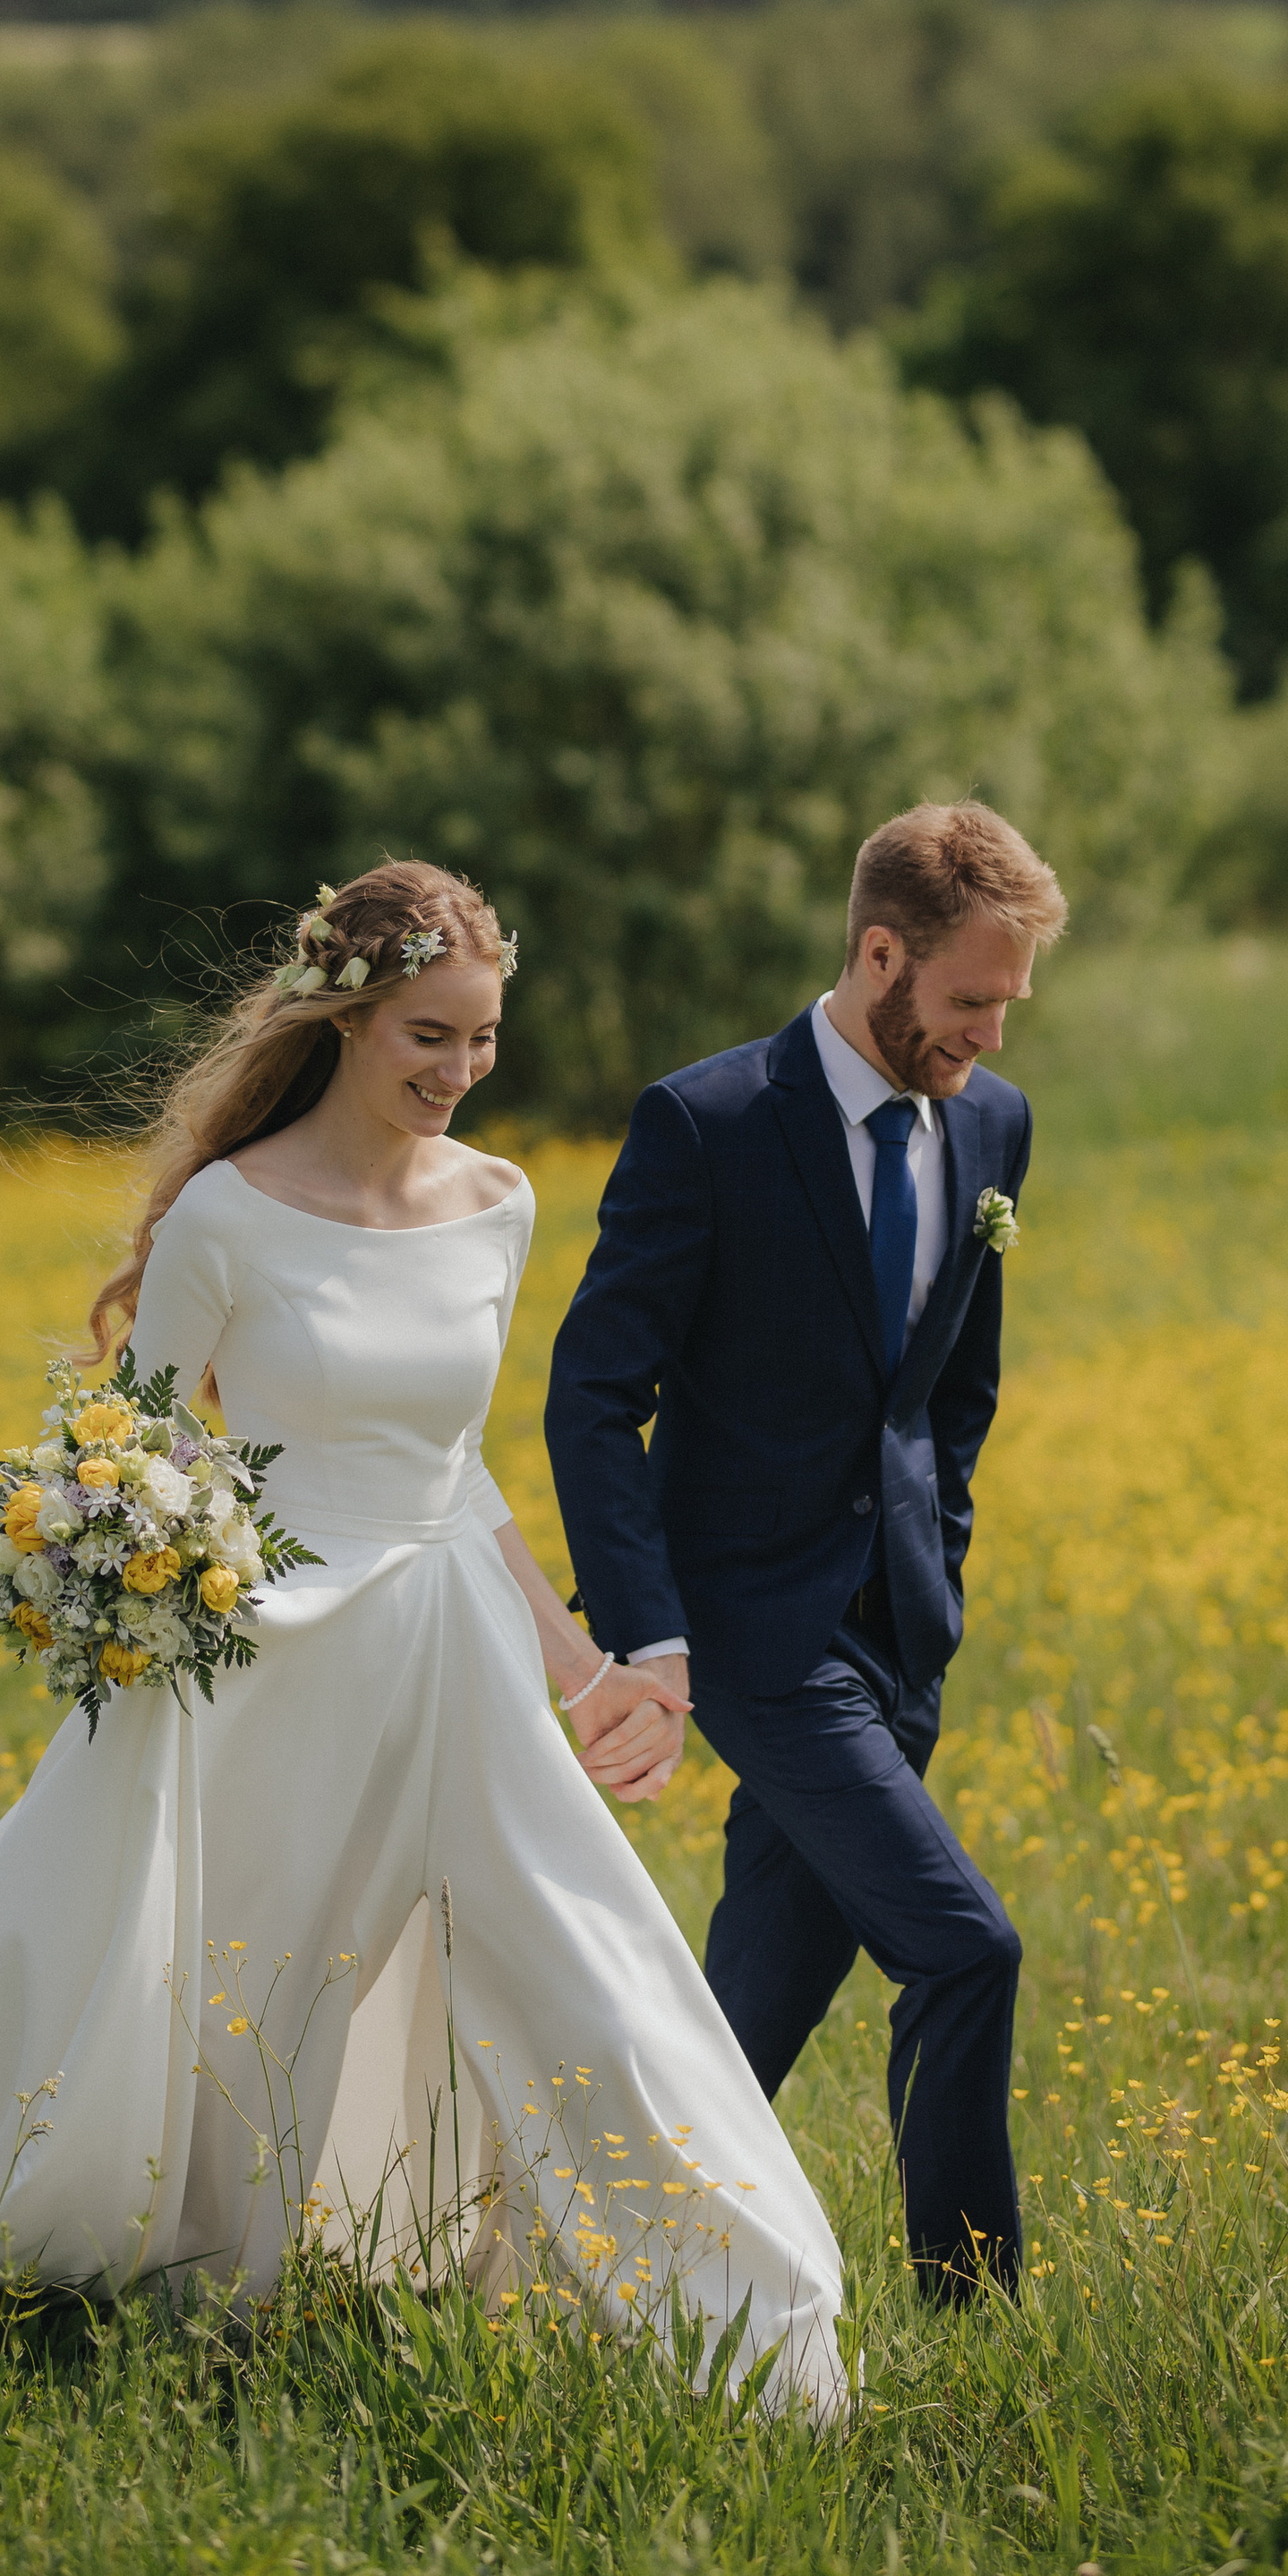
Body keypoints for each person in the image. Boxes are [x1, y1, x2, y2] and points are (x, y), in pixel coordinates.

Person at [0, 864, 844, 2406]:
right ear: (346, 1016)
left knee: (583, 1951)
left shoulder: (499, 1204)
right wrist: (142, 1581)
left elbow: (457, 1472)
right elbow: (128, 1452)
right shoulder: (230, 1215)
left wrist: (582, 1662)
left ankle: (747, 2314)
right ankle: (203, 2255)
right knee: (243, 1976)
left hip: (455, 1647)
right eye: (429, 1034)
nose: (459, 1073)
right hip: (272, 1660)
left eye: (483, 1041)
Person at [543, 802, 1065, 2298]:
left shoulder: (994, 1125)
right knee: (968, 1952)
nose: (987, 1035)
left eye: (1008, 1006)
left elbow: (956, 1389)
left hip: (900, 1638)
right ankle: (974, 2319)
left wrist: (940, 1575)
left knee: (746, 2019)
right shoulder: (706, 1123)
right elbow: (594, 1395)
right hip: (753, 1641)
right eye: (967, 1001)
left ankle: (608, 2274)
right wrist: (650, 1634)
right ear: (879, 953)